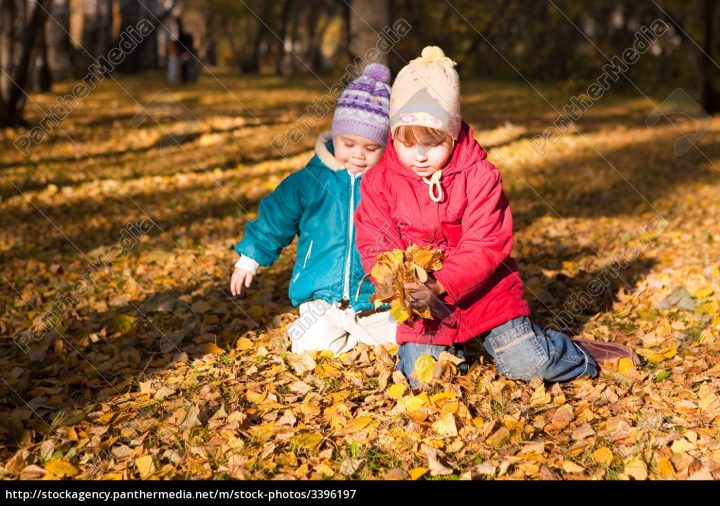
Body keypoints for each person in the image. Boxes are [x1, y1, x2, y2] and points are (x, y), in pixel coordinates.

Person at [354, 47, 639, 389]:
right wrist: (397, 285)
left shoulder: (480, 175)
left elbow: (487, 244)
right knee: (424, 380)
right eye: (407, 143)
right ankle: (450, 350)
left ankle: (576, 354)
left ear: (454, 133)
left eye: (432, 143)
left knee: (527, 364)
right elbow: (374, 239)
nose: (419, 156)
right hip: (421, 305)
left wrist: (441, 283)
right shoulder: (379, 180)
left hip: (485, 293)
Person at [231, 64, 397, 355]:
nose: (358, 154)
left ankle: (360, 331)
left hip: (374, 298)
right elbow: (276, 216)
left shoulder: (390, 184)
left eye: (371, 148)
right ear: (335, 138)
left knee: (397, 339)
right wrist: (250, 257)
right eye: (349, 143)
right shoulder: (309, 181)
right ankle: (341, 331)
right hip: (320, 296)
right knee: (310, 347)